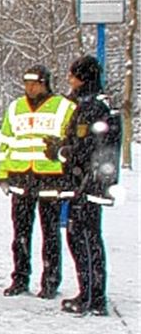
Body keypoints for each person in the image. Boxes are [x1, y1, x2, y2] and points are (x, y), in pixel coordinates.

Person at [0, 65, 76, 299]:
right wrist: (3, 174)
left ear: (45, 84)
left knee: (50, 233)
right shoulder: (15, 107)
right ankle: (20, 278)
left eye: (35, 83)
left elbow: (73, 142)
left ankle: (50, 280)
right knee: (20, 233)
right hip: (21, 177)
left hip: (51, 178)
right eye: (27, 83)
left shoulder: (64, 107)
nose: (30, 88)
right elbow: (5, 144)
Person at [51, 55, 119, 316]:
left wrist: (63, 151)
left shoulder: (93, 107)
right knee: (80, 236)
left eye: (73, 75)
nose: (69, 80)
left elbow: (87, 145)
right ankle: (89, 292)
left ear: (83, 78)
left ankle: (93, 297)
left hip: (89, 183)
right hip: (87, 181)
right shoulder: (90, 104)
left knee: (85, 238)